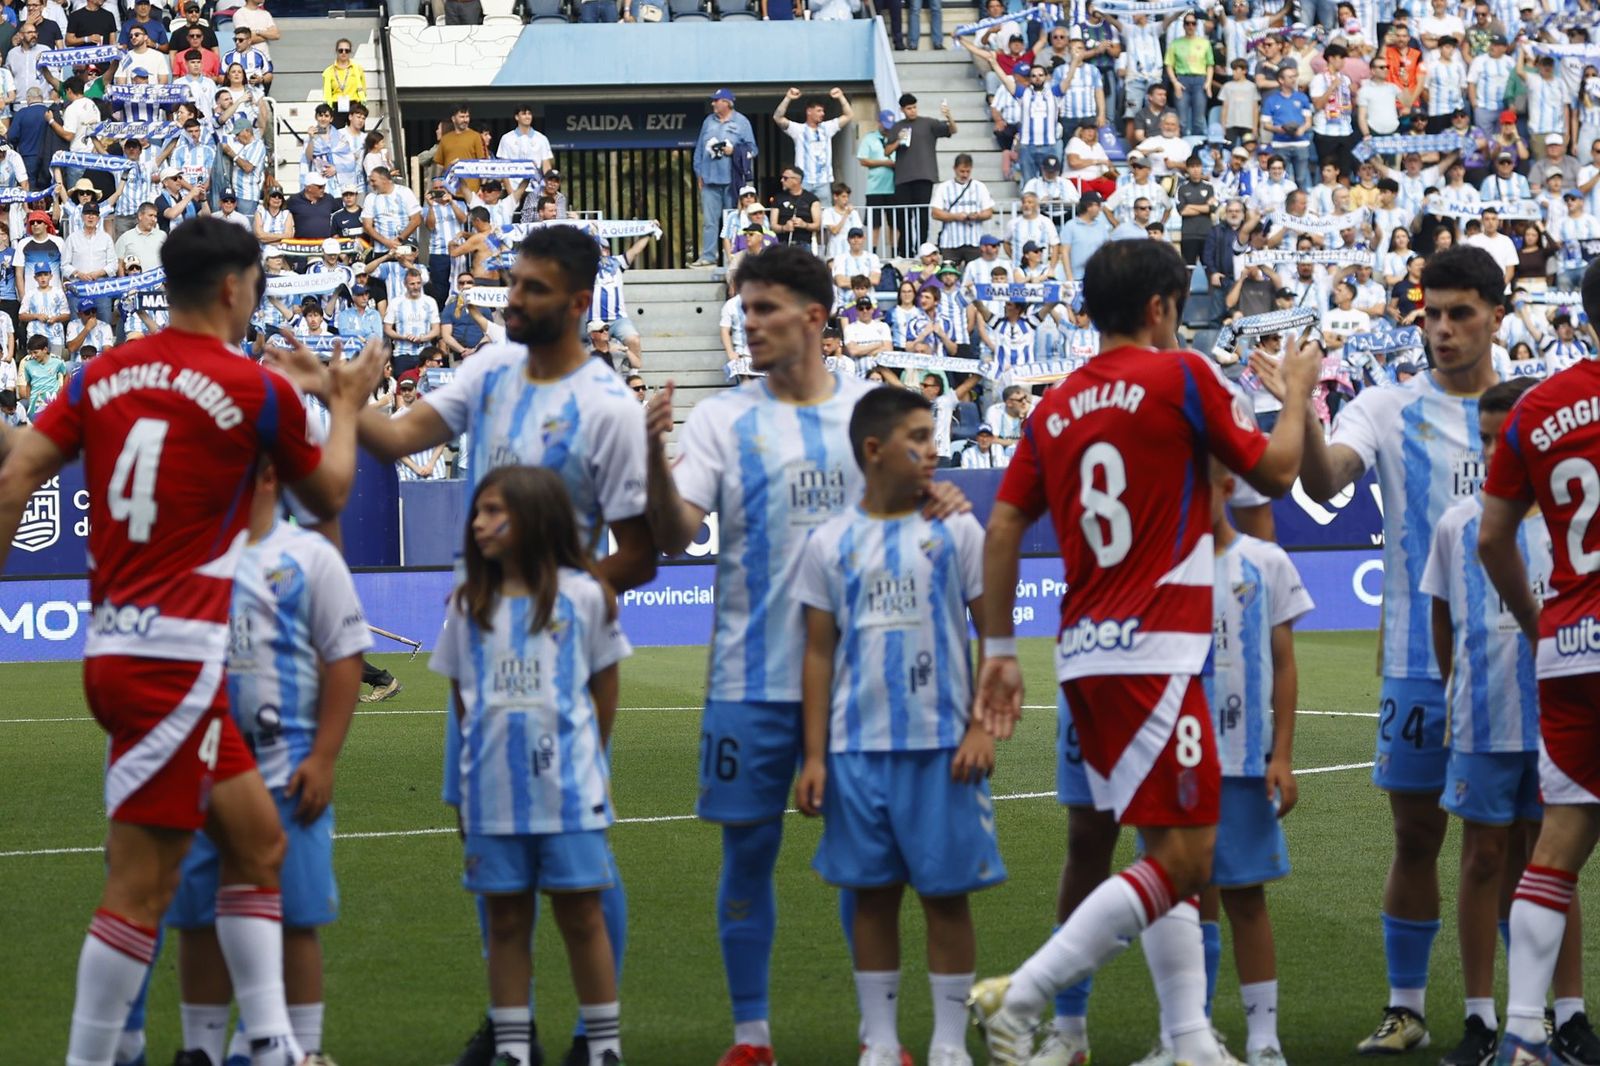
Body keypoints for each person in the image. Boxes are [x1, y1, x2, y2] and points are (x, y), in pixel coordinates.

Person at [0, 217, 380, 1066]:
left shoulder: (100, 372)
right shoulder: (253, 388)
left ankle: (275, 1042)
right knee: (141, 887)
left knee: (259, 843)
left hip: (134, 649)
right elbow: (327, 495)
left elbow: (19, 471)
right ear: (236, 289)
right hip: (172, 660)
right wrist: (345, 405)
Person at [966, 238, 1321, 1066]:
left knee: (1161, 845)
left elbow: (1007, 522)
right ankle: (1019, 994)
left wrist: (998, 646)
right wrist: (1296, 397)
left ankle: (1191, 1038)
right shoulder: (1181, 376)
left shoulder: (1054, 407)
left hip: (1086, 654)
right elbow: (1274, 475)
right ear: (1161, 307)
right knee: (1190, 857)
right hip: (1156, 653)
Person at [642, 243, 962, 1066]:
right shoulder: (720, 418)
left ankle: (879, 1039)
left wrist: (943, 493)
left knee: (872, 868)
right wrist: (651, 456)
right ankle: (752, 1036)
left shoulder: (871, 413)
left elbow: (922, 507)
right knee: (746, 851)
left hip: (862, 685)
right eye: (742, 310)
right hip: (749, 675)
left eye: (763, 310)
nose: (746, 325)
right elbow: (676, 535)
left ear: (815, 318)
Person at [354, 224, 656, 1066]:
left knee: (582, 869)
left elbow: (638, 552)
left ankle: (594, 1040)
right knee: (487, 851)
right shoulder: (487, 369)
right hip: (480, 653)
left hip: (555, 659)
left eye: (529, 288)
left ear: (579, 302)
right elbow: (399, 438)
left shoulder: (608, 408)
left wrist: (555, 597)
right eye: (512, 283)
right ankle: (509, 1025)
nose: (511, 298)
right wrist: (345, 397)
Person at [1250, 246, 1503, 1054]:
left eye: (1459, 312)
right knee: (1418, 836)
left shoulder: (1525, 409)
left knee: (1514, 843)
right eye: (1429, 313)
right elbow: (1325, 483)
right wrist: (1302, 404)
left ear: (1498, 314)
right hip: (1414, 663)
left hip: (1511, 661)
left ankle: (1516, 1012)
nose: (1441, 329)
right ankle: (1407, 1008)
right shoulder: (1388, 407)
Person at [793, 386, 1000, 1066]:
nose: (933, 447)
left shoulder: (956, 529)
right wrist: (815, 756)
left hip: (944, 749)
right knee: (872, 898)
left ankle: (946, 1042)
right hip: (856, 752)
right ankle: (880, 1041)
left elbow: (990, 631)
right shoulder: (830, 543)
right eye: (918, 436)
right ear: (875, 451)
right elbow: (818, 653)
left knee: (946, 899)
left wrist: (980, 727)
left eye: (933, 434)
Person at [163, 454, 369, 1066]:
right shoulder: (189, 556)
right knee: (197, 916)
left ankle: (300, 1051)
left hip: (290, 766)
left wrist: (326, 757)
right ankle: (200, 1050)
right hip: (199, 771)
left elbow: (346, 658)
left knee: (295, 916)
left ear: (268, 477)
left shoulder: (308, 558)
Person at [1418, 376, 1600, 1066]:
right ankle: (1487, 1020)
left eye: (1500, 440)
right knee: (1494, 855)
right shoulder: (1455, 521)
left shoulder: (1550, 454)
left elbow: (1504, 550)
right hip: (1489, 712)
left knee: (1555, 852)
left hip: (1561, 679)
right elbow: (1446, 608)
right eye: (1485, 439)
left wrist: (1541, 627)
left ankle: (1547, 1022)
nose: (1493, 449)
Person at [431, 466, 630, 1066]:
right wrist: (468, 788)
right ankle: (514, 1048)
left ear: (537, 519)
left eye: (494, 511)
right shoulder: (470, 605)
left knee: (583, 915)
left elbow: (605, 687)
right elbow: (465, 701)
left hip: (569, 793)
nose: (480, 523)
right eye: (478, 512)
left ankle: (602, 1047)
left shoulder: (586, 596)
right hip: (492, 796)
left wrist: (584, 761)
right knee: (506, 919)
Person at [1479, 257, 1600, 1066]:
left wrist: (1535, 619)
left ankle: (1522, 1034)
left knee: (1556, 843)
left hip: (1570, 644)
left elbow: (1492, 536)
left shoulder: (1539, 407)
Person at [692, 89, 758, 268]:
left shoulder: (741, 122)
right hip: (709, 180)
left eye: (717, 101)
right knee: (709, 222)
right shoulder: (708, 121)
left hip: (731, 181)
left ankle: (735, 256)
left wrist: (734, 151)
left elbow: (753, 150)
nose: (713, 104)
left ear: (727, 103)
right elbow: (699, 149)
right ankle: (708, 257)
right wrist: (698, 173)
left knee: (733, 221)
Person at [885, 95, 956, 255]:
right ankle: (905, 251)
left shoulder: (928, 123)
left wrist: (948, 116)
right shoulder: (897, 127)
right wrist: (898, 141)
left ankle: (922, 248)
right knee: (904, 217)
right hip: (903, 178)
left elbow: (952, 130)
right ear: (902, 110)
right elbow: (887, 150)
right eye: (909, 108)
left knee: (922, 216)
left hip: (925, 175)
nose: (912, 111)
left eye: (914, 107)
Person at [773, 87, 854, 200]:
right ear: (809, 111)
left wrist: (841, 97)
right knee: (803, 212)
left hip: (823, 181)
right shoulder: (799, 130)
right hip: (804, 181)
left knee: (824, 214)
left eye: (823, 111)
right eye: (819, 111)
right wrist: (788, 98)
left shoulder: (827, 127)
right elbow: (778, 118)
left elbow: (849, 115)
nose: (822, 114)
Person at [321, 38, 365, 127]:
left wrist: (362, 105)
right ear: (336, 51)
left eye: (347, 50)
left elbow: (363, 88)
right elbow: (326, 92)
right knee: (335, 135)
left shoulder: (357, 69)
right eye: (341, 50)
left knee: (356, 134)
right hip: (336, 105)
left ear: (350, 52)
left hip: (354, 105)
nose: (344, 52)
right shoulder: (328, 71)